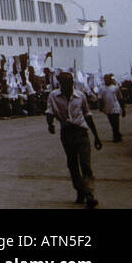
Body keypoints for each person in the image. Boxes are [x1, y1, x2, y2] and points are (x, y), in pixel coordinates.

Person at [45, 71, 102, 207]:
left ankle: (89, 193)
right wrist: (50, 124)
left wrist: (96, 136)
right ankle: (80, 190)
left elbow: (88, 115)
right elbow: (49, 111)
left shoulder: (80, 96)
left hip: (81, 132)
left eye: (69, 83)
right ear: (60, 84)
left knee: (85, 163)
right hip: (67, 133)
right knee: (72, 164)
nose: (67, 85)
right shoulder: (53, 95)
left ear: (73, 83)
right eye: (64, 83)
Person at [97, 74, 123, 142]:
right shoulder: (102, 88)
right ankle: (117, 133)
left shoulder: (115, 87)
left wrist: (123, 107)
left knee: (116, 121)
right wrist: (100, 107)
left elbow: (120, 97)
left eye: (108, 79)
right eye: (106, 79)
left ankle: (115, 136)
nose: (107, 80)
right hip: (107, 108)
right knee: (112, 122)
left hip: (116, 107)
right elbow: (100, 99)